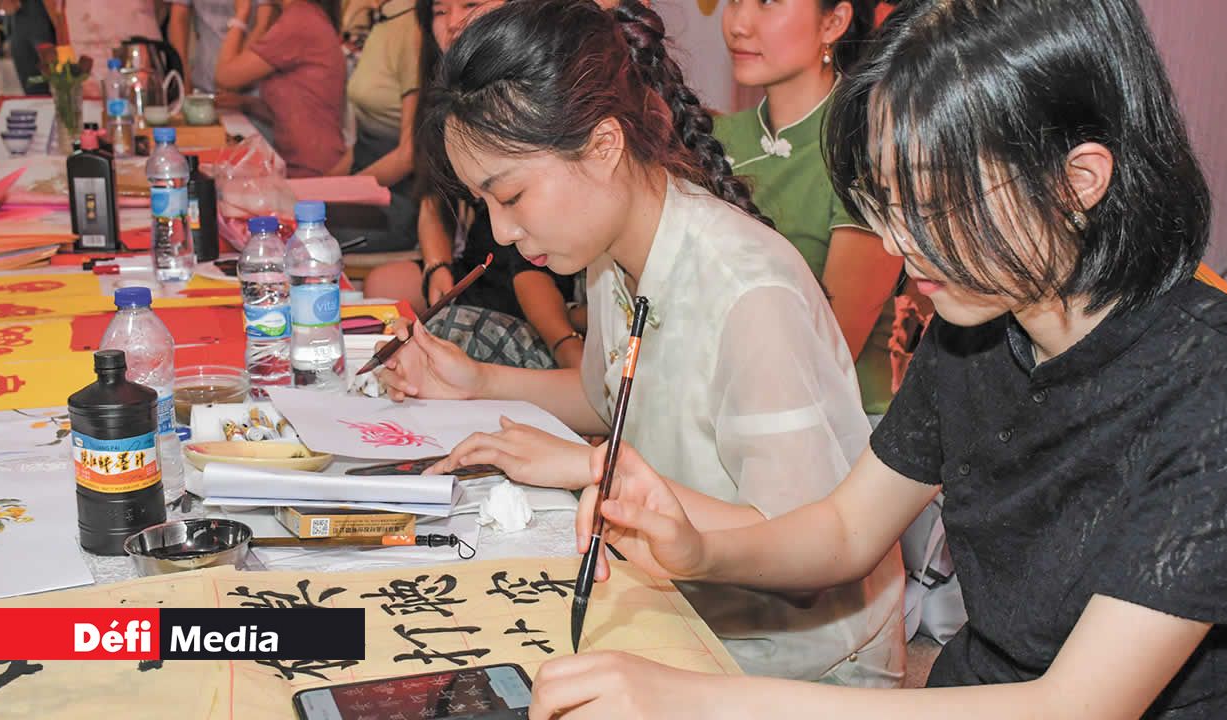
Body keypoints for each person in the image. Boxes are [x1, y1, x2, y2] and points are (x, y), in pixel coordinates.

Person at [526, 0, 1227, 716]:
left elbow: (1076, 705)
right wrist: (700, 550)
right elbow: (845, 529)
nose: (898, 243)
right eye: (887, 201)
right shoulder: (979, 322)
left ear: (1078, 179)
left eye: (936, 205)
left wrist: (702, 701)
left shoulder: (1210, 386)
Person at [377, 0, 906, 685]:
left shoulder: (749, 296)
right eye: (485, 206)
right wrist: (478, 381)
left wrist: (594, 471)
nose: (500, 232)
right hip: (687, 606)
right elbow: (614, 399)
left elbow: (804, 544)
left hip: (795, 668)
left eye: (510, 196)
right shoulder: (611, 253)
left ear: (601, 147)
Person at [363, 0, 584, 370]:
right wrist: (438, 267)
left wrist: (567, 341)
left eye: (470, 4)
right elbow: (432, 196)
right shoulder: (446, 94)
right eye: (439, 11)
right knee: (385, 287)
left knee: (436, 336)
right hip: (484, 262)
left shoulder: (526, 90)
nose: (454, 23)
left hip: (531, 277)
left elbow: (527, 266)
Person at [713, 0, 903, 416]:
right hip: (722, 404)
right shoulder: (715, 138)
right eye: (733, 2)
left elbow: (832, 349)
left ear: (833, 22)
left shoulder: (864, 143)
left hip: (847, 421)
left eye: (766, 3)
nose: (738, 25)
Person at [214, 0, 347, 177]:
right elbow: (298, 106)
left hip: (310, 166)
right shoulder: (305, 15)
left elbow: (225, 76)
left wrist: (241, 15)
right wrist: (245, 103)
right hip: (302, 160)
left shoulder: (299, 20)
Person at [343, 0, 421, 250]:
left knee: (291, 235)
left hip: (395, 202)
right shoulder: (384, 21)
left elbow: (408, 155)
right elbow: (364, 142)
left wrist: (338, 193)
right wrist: (313, 187)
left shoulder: (412, 29)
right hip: (364, 186)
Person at [167, 0, 276, 94]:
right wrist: (182, 74)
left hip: (249, 86)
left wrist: (234, 77)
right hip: (203, 81)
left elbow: (263, 25)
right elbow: (178, 19)